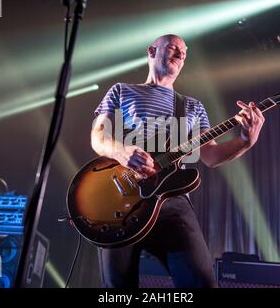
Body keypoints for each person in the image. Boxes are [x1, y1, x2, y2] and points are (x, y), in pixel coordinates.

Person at [91, 34, 265, 288]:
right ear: (152, 51)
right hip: (120, 201)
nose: (181, 54)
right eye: (174, 48)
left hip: (171, 202)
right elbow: (98, 137)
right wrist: (121, 152)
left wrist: (245, 141)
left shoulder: (193, 107)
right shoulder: (121, 91)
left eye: (184, 53)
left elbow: (211, 157)